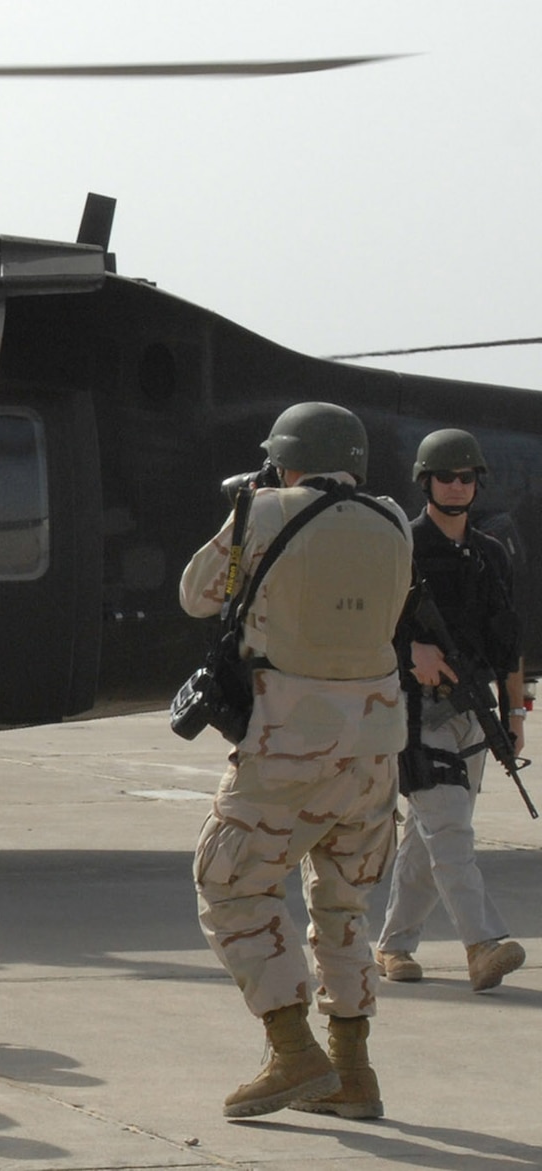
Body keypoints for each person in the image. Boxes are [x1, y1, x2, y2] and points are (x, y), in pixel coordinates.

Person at [178, 401, 412, 1120]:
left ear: (283, 457)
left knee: (229, 884)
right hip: (374, 747)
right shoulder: (396, 520)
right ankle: (352, 1068)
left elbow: (196, 593)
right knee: (343, 906)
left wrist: (247, 507)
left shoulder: (264, 511)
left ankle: (291, 1048)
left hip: (288, 744)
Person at [375, 429, 527, 992]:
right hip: (413, 714)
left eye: (467, 478)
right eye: (447, 477)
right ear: (425, 481)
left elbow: (509, 644)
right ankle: (482, 944)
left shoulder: (489, 554)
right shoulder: (401, 548)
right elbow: (366, 626)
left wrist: (515, 717)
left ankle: (393, 946)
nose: (458, 487)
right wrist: (408, 649)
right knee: (450, 829)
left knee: (430, 834)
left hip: (473, 710)